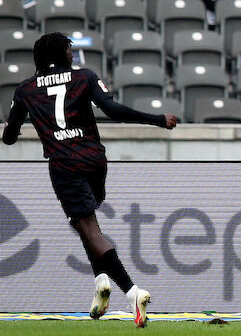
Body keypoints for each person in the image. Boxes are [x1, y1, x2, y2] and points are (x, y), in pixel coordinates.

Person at [2, 33, 178, 328]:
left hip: (64, 165)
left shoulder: (26, 90)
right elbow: (113, 111)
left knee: (89, 228)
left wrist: (13, 132)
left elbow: (8, 136)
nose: (74, 55)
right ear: (62, 54)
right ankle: (100, 284)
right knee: (82, 220)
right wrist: (158, 119)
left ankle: (133, 292)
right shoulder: (84, 77)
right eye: (70, 50)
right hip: (96, 161)